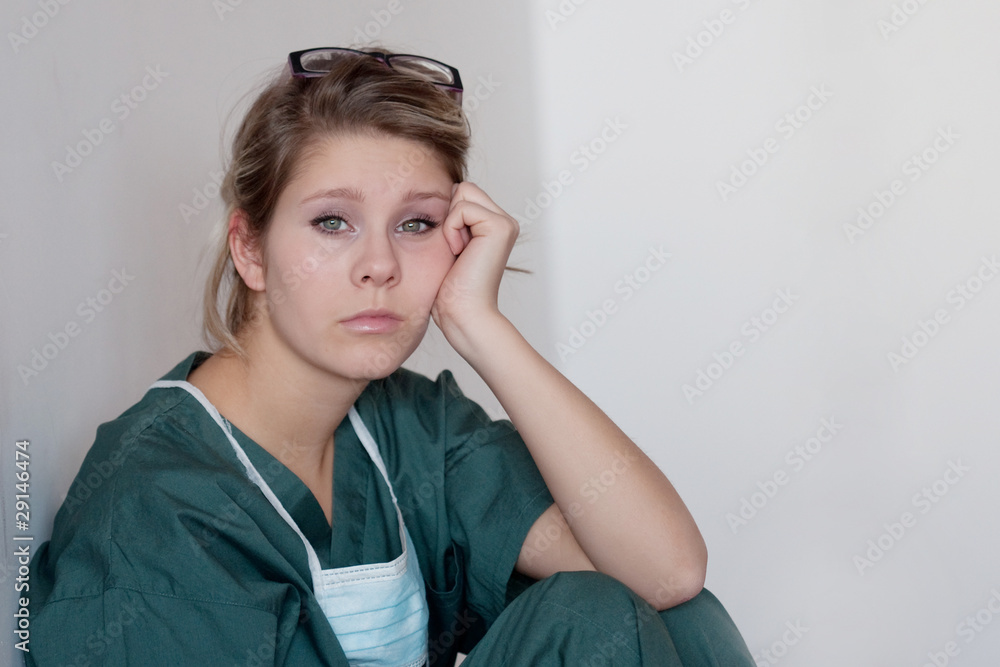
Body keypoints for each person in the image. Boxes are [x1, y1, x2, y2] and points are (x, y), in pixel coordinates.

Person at [27, 47, 755, 666]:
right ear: (249, 249)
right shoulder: (157, 510)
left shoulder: (409, 425)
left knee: (671, 615)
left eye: (416, 224)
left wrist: (481, 324)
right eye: (332, 221)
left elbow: (667, 572)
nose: (379, 264)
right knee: (586, 619)